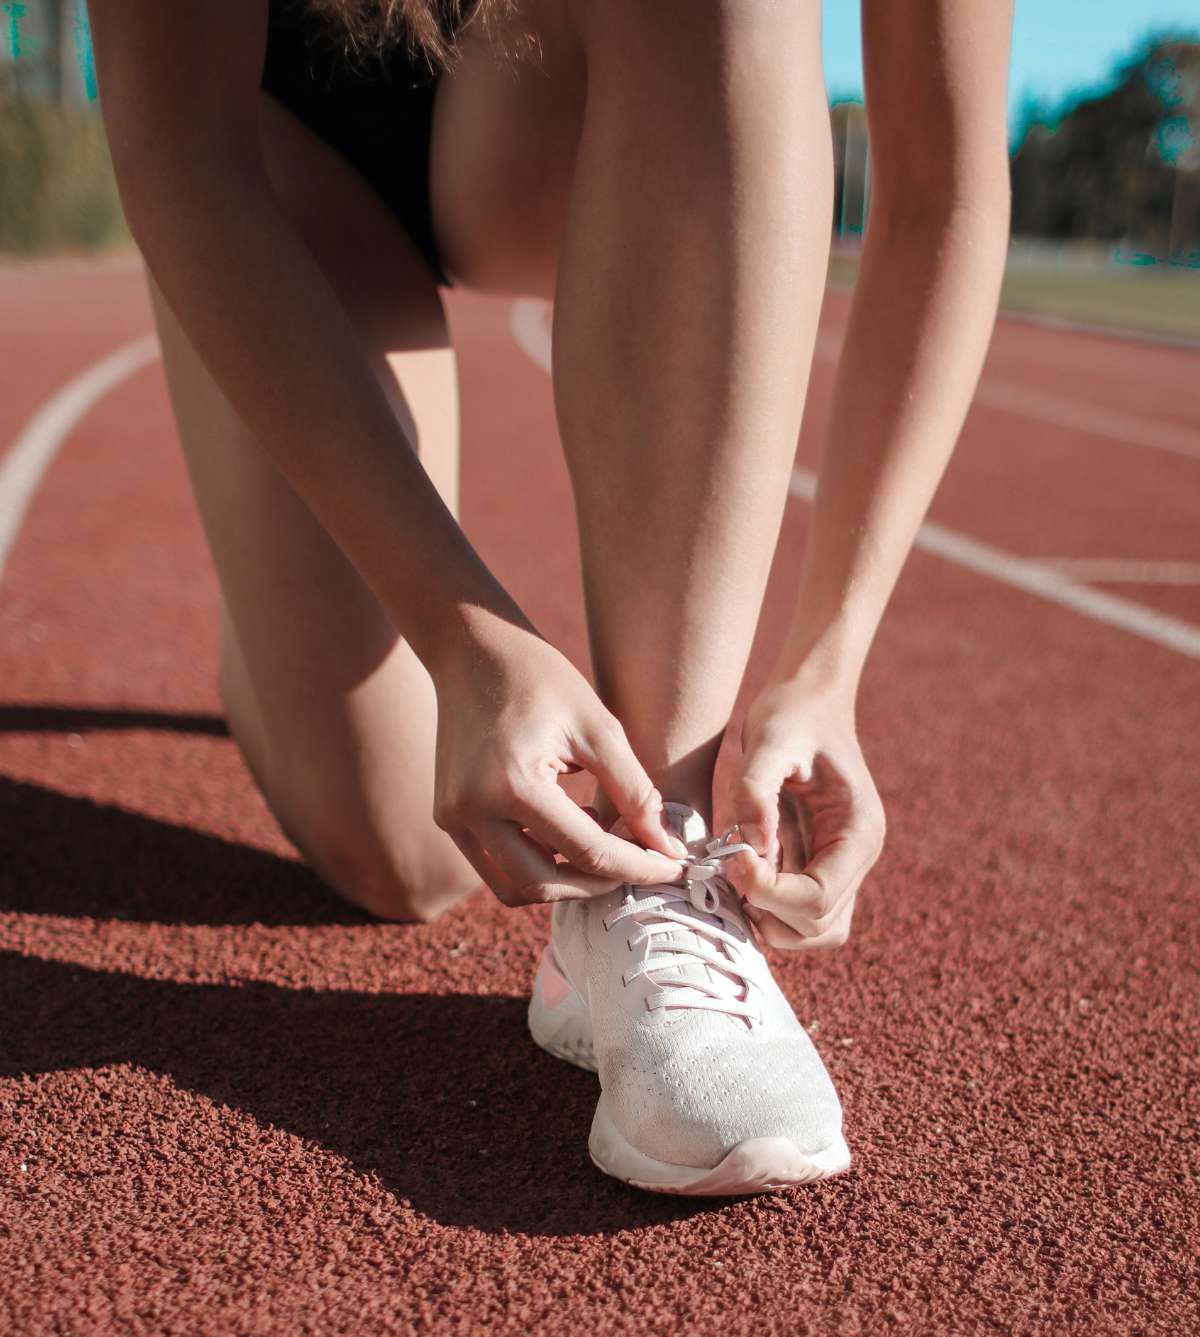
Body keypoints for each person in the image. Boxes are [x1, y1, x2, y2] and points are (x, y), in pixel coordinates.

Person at [87, 0, 1013, 1195]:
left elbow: (943, 186)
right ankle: (270, 636)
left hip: (547, 94)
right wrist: (460, 636)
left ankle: (661, 859)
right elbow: (177, 145)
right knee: (402, 860)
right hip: (280, 130)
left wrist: (831, 663)